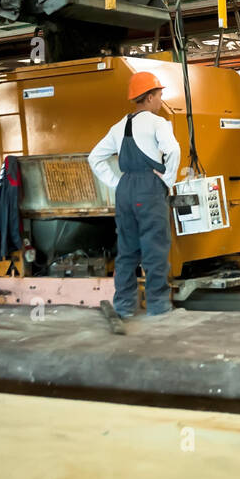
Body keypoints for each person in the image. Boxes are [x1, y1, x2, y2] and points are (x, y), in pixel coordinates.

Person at [88, 71, 181, 318]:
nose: (161, 101)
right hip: (149, 187)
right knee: (155, 247)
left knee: (127, 250)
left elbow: (94, 157)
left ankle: (124, 306)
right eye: (159, 95)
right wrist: (167, 181)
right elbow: (173, 150)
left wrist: (116, 182)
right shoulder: (158, 123)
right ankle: (158, 306)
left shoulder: (118, 126)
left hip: (125, 189)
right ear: (149, 97)